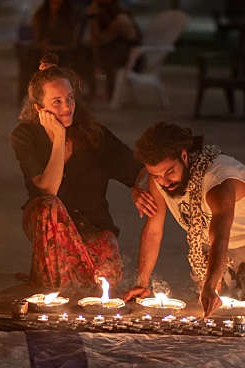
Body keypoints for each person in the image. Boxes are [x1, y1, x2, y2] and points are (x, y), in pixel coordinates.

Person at [124, 122, 245, 318]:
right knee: (215, 308)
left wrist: (209, 284)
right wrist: (142, 283)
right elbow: (154, 231)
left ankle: (240, 274)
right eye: (157, 175)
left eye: (170, 172)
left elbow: (220, 239)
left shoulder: (219, 181)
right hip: (209, 244)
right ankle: (234, 278)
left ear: (183, 155)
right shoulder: (158, 181)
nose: (164, 182)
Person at [11, 53, 145, 290]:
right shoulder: (25, 136)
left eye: (70, 98)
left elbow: (139, 169)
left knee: (103, 285)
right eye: (57, 102)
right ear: (39, 108)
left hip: (93, 224)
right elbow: (48, 189)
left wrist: (137, 187)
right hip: (45, 222)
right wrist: (60, 136)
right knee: (49, 206)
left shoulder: (94, 135)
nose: (66, 107)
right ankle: (51, 289)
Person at [17, 0, 81, 105]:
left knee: (59, 59)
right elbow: (37, 38)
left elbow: (71, 42)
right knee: (29, 56)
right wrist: (42, 44)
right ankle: (27, 94)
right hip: (44, 50)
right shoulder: (42, 15)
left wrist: (54, 47)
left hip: (62, 51)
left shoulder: (70, 16)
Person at [85, 0, 142, 99]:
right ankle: (94, 89)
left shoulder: (121, 18)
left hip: (131, 61)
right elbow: (95, 39)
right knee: (84, 52)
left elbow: (99, 40)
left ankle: (97, 90)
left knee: (90, 53)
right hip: (113, 58)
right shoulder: (105, 15)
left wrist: (92, 17)